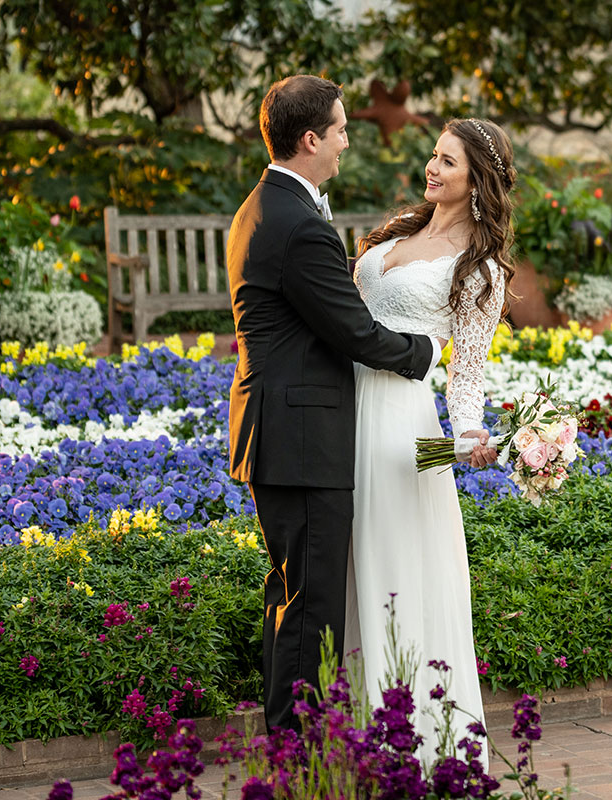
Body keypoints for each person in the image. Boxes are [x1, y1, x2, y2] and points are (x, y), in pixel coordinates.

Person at [225, 74, 446, 732]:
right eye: (343, 129)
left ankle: (291, 744)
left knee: (293, 599)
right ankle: (300, 754)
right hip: (301, 439)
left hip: (279, 430)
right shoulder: (298, 224)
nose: (350, 141)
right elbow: (351, 331)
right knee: (310, 606)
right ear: (312, 138)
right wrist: (426, 354)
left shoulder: (269, 205)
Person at [344, 117, 516, 770]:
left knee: (396, 569)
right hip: (344, 411)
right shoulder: (401, 231)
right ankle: (354, 732)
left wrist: (473, 438)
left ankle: (414, 743)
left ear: (477, 178)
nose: (432, 167)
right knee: (353, 567)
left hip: (403, 427)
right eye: (433, 155)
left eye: (448, 161)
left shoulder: (480, 269)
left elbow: (467, 378)